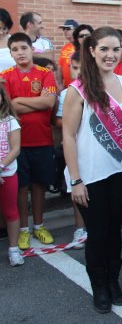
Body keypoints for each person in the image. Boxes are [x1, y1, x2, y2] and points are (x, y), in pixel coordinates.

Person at [62, 26, 122, 313]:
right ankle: (99, 288)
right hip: (89, 176)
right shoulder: (78, 89)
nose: (111, 54)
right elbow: (68, 136)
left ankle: (113, 282)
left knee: (113, 232)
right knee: (98, 233)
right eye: (104, 49)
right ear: (92, 51)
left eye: (116, 49)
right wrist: (76, 180)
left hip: (120, 172)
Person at [1, 33, 57, 250]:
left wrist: (17, 101)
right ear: (11, 53)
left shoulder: (45, 74)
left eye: (24, 47)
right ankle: (23, 229)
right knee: (21, 188)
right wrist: (35, 103)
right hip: (17, 144)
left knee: (39, 186)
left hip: (42, 140)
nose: (20, 52)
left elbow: (49, 101)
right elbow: (6, 108)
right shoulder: (5, 76)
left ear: (32, 48)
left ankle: (39, 226)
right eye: (15, 49)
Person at [54, 51, 87, 249]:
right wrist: (71, 123)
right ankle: (80, 228)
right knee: (78, 188)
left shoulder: (102, 90)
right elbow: (57, 120)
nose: (78, 73)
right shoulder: (68, 93)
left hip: (98, 150)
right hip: (76, 148)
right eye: (74, 68)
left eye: (82, 68)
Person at [0, 83, 23, 266]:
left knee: (10, 211)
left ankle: (14, 249)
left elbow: (15, 149)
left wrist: (1, 167)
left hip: (6, 172)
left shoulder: (10, 121)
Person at [57, 19, 79, 91]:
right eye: (64, 29)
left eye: (68, 28)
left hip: (80, 87)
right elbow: (60, 66)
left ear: (76, 30)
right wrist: (60, 83)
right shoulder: (65, 47)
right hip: (67, 87)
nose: (65, 31)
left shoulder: (82, 46)